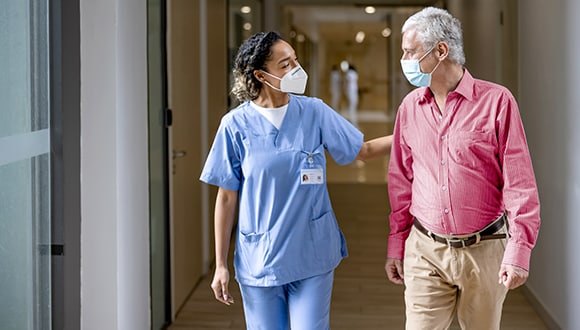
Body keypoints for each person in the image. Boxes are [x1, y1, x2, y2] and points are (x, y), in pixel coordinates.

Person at [199, 31, 391, 329]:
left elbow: (362, 151)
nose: (296, 70)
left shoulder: (313, 111)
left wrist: (416, 130)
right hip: (260, 258)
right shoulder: (235, 125)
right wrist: (220, 264)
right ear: (261, 75)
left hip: (311, 251)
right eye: (285, 64)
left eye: (295, 61)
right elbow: (226, 196)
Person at [385, 7, 541, 330]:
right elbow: (400, 180)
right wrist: (396, 244)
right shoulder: (410, 108)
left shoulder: (498, 102)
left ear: (440, 50)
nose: (404, 60)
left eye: (410, 51)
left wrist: (519, 250)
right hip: (425, 249)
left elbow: (520, 184)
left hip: (485, 251)